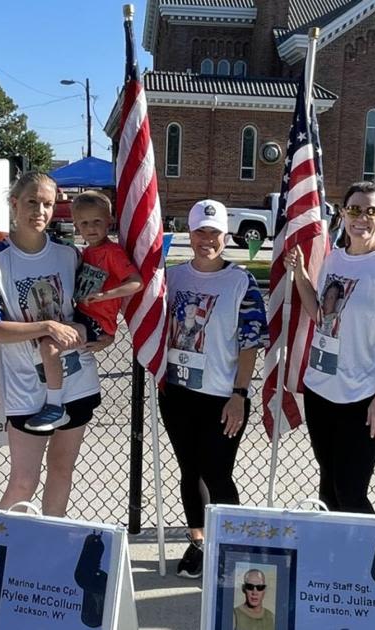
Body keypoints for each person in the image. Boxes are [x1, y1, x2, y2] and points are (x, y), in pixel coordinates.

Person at [0, 171, 111, 517]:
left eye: (47, 204)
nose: (39, 210)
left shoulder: (68, 255)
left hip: (76, 379)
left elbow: (88, 308)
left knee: (62, 472)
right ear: (14, 204)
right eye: (32, 202)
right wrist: (45, 326)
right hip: (27, 389)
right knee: (23, 482)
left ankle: (47, 552)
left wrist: (94, 330)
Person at [286, 181, 375, 513]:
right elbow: (321, 315)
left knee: (350, 491)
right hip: (321, 389)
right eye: (354, 209)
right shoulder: (334, 259)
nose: (362, 218)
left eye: (371, 211)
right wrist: (301, 275)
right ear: (343, 213)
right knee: (329, 486)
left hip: (362, 397)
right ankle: (336, 557)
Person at [160, 199, 267, 579]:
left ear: (226, 236)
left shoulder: (241, 282)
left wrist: (239, 394)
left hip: (222, 396)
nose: (207, 239)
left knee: (217, 473)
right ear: (190, 234)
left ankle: (232, 545)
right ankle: (199, 542)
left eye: (215, 233)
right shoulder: (172, 278)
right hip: (177, 393)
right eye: (200, 231)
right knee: (189, 471)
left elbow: (251, 342)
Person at [30, 190, 142, 431]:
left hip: (95, 323)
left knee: (49, 345)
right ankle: (57, 396)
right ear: (76, 226)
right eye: (84, 223)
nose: (91, 228)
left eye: (97, 222)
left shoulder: (112, 253)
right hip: (80, 315)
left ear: (109, 221)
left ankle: (54, 406)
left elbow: (136, 282)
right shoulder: (84, 253)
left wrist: (105, 296)